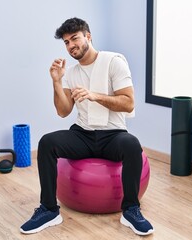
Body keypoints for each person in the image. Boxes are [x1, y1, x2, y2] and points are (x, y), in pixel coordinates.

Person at [20, 17, 154, 236]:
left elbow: (128, 102)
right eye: (66, 42)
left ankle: (131, 210)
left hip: (113, 135)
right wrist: (56, 82)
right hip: (82, 134)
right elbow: (63, 111)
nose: (71, 45)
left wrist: (94, 96)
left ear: (88, 37)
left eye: (75, 38)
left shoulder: (114, 62)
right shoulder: (71, 73)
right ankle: (49, 210)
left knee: (132, 144)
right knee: (47, 142)